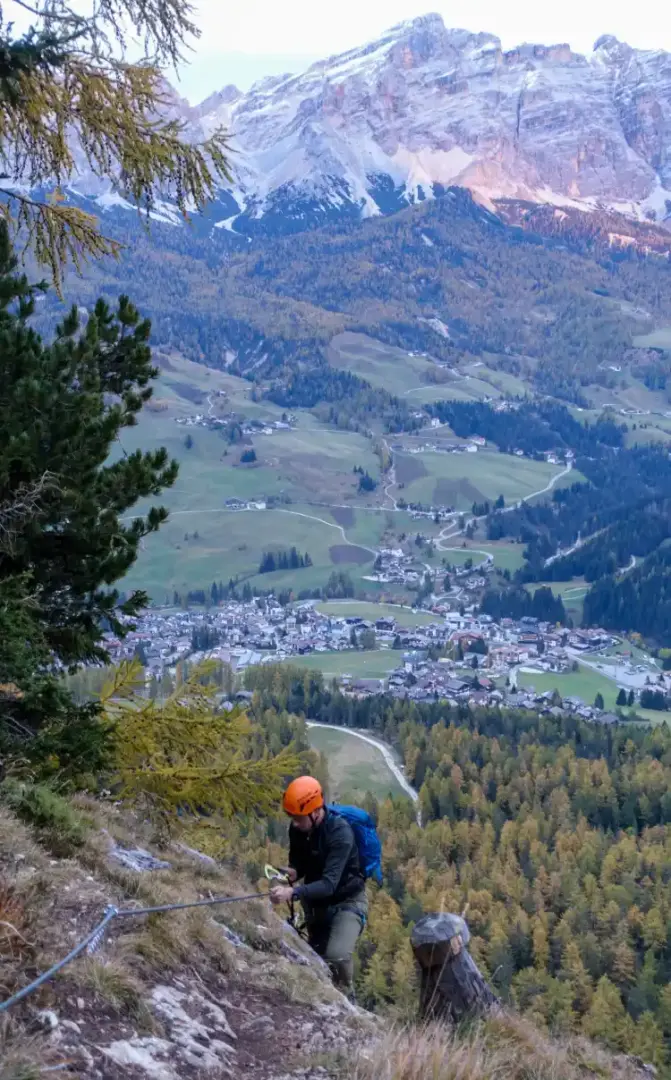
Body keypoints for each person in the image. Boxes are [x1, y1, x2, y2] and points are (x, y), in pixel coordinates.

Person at [269, 775, 367, 997]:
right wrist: (291, 873)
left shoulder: (340, 833)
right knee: (318, 962)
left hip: (347, 902)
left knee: (337, 956)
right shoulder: (298, 830)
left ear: (315, 813)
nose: (294, 823)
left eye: (298, 818)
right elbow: (300, 865)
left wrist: (292, 892)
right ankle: (327, 999)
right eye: (292, 817)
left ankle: (347, 1002)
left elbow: (329, 884)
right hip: (316, 904)